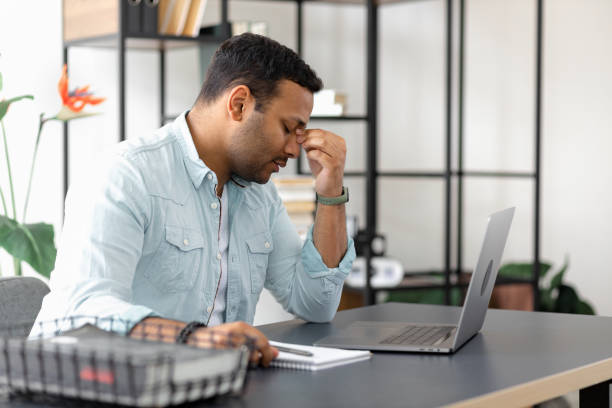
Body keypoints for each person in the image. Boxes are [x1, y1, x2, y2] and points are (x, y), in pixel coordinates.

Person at [31, 33, 355, 367]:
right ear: (239, 104)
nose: (293, 149)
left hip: (207, 384)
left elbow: (316, 304)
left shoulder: (261, 195)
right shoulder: (126, 174)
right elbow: (83, 310)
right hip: (103, 385)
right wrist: (194, 337)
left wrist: (331, 191)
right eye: (288, 128)